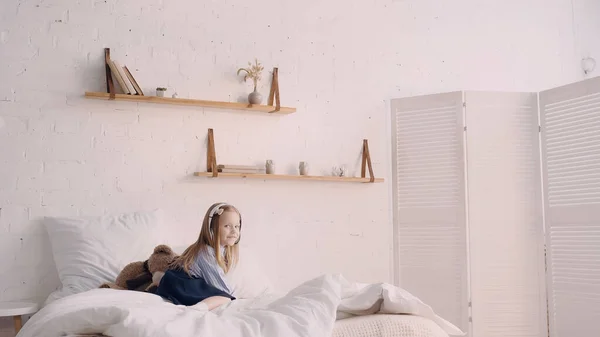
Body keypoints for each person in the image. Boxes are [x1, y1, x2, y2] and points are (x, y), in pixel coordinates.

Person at [154, 202, 242, 311]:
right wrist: (233, 296)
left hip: (180, 283)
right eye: (227, 226)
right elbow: (220, 287)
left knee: (222, 296)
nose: (234, 231)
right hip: (182, 284)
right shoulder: (206, 253)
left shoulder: (219, 250)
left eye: (237, 226)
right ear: (212, 229)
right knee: (225, 298)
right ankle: (198, 308)